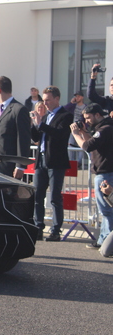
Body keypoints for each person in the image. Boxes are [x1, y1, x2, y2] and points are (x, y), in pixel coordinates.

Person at [30, 86, 72, 241]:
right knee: (37, 196)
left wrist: (41, 124)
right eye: (44, 99)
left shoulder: (65, 115)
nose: (45, 103)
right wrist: (34, 124)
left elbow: (60, 135)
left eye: (48, 100)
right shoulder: (46, 116)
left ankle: (55, 230)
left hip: (56, 162)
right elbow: (36, 137)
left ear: (57, 99)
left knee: (54, 197)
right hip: (41, 160)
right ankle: (38, 227)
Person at [70, 103, 113, 250]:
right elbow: (92, 143)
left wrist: (76, 134)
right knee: (105, 210)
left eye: (88, 118)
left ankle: (107, 242)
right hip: (104, 173)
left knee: (107, 211)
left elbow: (87, 147)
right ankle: (103, 239)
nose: (86, 121)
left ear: (98, 115)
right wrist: (83, 132)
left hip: (106, 174)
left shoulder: (105, 129)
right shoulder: (103, 128)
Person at [0, 76, 31, 178]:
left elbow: (23, 140)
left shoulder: (19, 110)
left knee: (8, 194)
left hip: (9, 165)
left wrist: (20, 166)